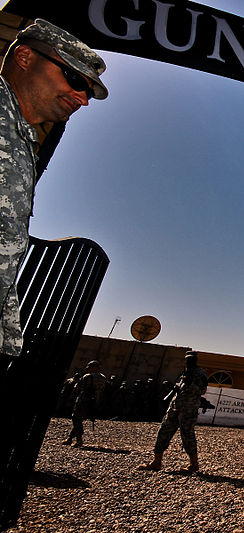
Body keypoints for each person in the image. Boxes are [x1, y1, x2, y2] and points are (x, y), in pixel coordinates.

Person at [0, 19, 108, 360]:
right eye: (75, 79)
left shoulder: (22, 139)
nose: (83, 99)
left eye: (89, 91)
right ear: (25, 57)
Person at [140, 351, 208, 473]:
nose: (188, 362)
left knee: (187, 435)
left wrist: (189, 385)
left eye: (191, 359)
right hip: (175, 406)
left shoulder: (200, 374)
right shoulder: (184, 372)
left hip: (188, 408)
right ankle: (157, 461)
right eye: (187, 359)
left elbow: (202, 390)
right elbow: (179, 388)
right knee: (163, 430)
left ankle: (193, 464)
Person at [61, 360, 107, 448]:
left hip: (83, 400)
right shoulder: (103, 377)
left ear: (94, 367)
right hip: (95, 402)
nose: (88, 369)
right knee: (79, 420)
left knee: (76, 419)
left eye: (89, 367)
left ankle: (79, 440)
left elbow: (77, 388)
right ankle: (70, 438)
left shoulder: (87, 376)